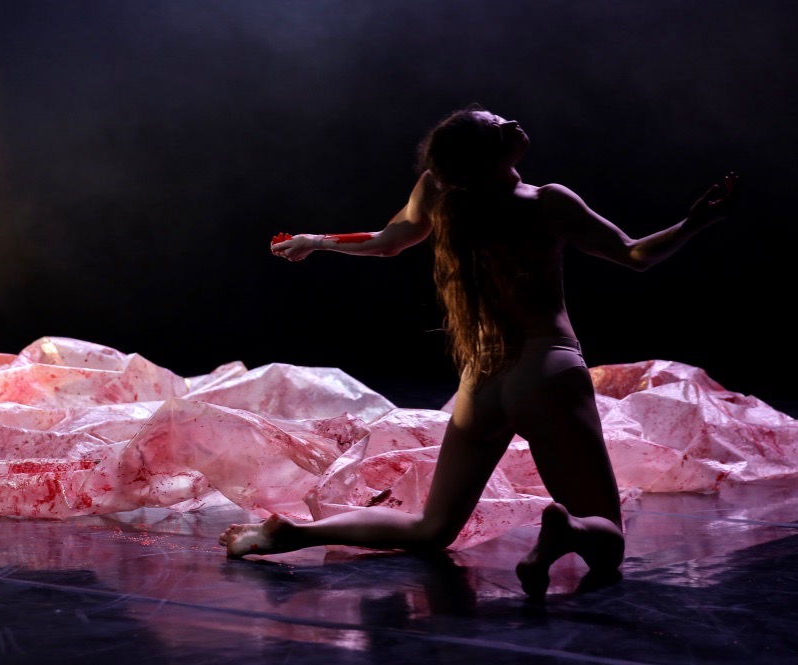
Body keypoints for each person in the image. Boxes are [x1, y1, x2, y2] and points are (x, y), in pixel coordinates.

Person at [219, 103, 739, 598]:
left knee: (431, 528)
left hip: (483, 381)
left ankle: (294, 533)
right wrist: (695, 223)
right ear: (489, 155)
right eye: (498, 126)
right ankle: (570, 529)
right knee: (608, 543)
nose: (512, 123)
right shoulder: (546, 202)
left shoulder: (437, 192)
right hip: (547, 370)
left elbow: (387, 240)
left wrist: (315, 239)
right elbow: (634, 254)